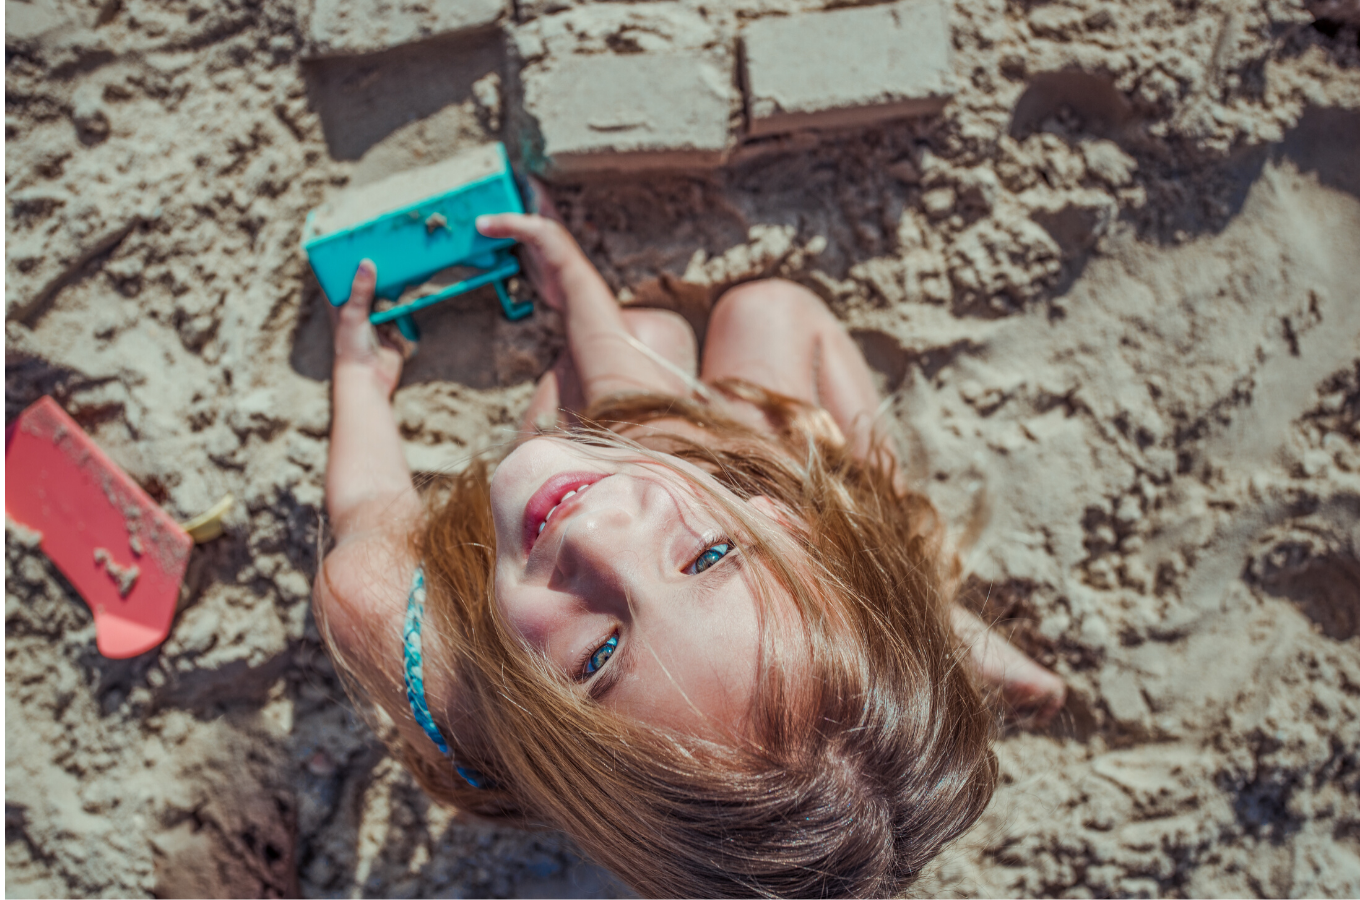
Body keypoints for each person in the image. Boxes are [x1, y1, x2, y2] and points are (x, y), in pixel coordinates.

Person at [315, 196, 1065, 897]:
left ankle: (920, 618)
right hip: (734, 477)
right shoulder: (700, 475)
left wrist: (357, 374)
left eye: (597, 656)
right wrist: (576, 286)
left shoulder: (410, 636)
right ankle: (924, 608)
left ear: (572, 774)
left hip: (640, 517)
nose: (598, 533)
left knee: (651, 340)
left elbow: (369, 506)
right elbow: (631, 406)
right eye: (708, 559)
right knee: (754, 316)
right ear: (780, 519)